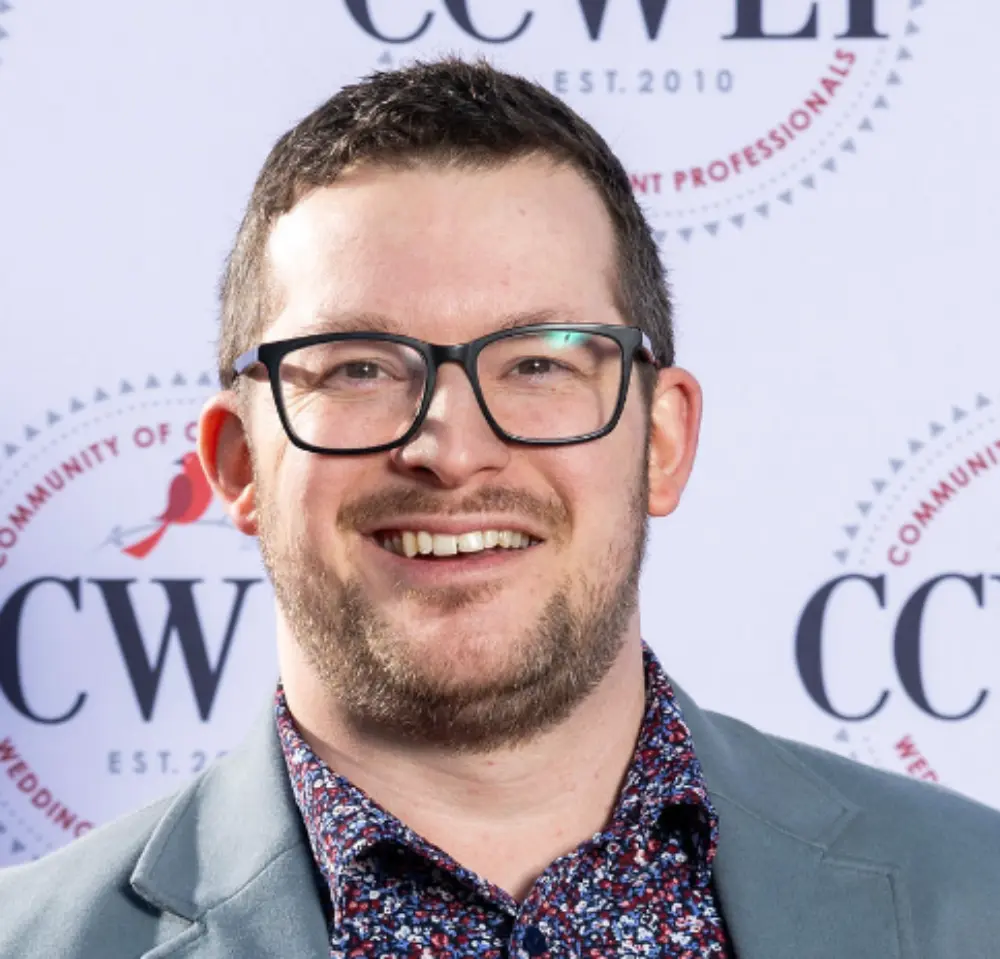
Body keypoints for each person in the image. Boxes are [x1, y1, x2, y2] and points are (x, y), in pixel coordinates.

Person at [1, 57, 998, 959]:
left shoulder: (973, 897)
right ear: (237, 465)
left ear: (660, 441)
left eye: (535, 362)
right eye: (357, 366)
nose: (452, 448)